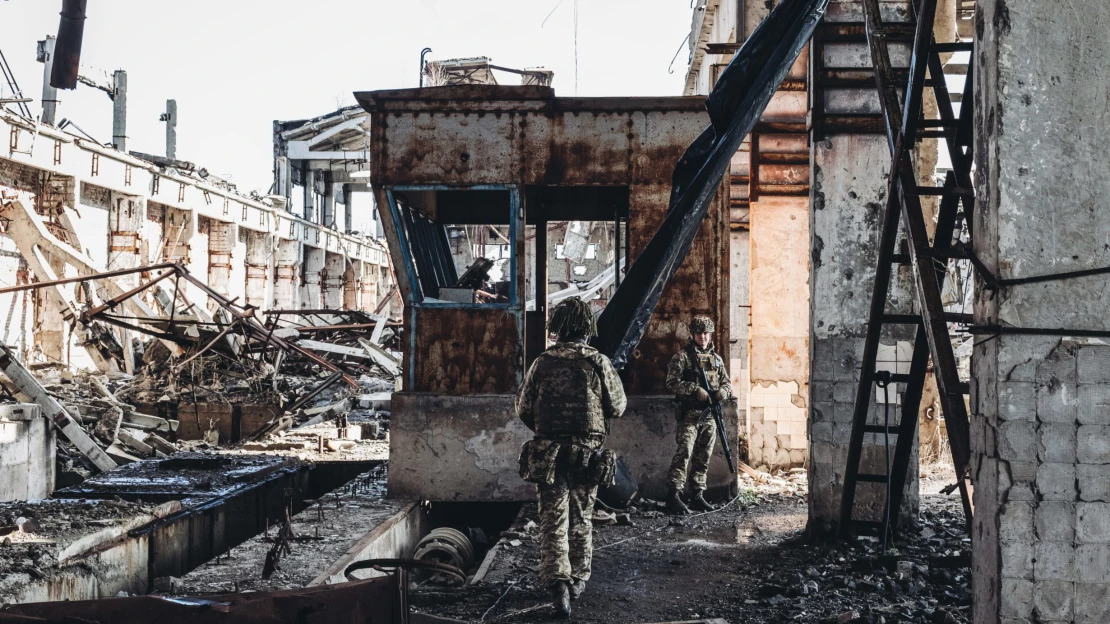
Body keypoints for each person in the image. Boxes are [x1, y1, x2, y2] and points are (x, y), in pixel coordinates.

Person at [515, 297, 627, 619]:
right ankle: (577, 580)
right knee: (581, 518)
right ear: (586, 328)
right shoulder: (598, 362)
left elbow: (523, 409)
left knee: (553, 522)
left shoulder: (541, 362)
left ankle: (558, 586)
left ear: (558, 328)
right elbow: (617, 407)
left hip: (550, 454)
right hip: (587, 455)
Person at [664, 315, 733, 515]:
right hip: (690, 415)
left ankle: (697, 494)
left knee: (704, 456)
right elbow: (671, 382)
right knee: (684, 453)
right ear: (692, 334)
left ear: (710, 335)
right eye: (699, 333)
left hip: (710, 414)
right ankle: (674, 495)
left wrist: (724, 392)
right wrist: (694, 389)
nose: (703, 337)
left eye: (706, 333)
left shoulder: (716, 360)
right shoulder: (683, 357)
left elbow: (726, 383)